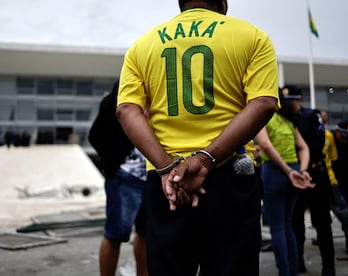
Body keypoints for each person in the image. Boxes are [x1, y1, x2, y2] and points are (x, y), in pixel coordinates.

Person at [116, 0, 283, 274]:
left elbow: (126, 111)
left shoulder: (142, 45)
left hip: (168, 184)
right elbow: (263, 102)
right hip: (230, 174)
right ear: (223, 2)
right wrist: (205, 160)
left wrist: (167, 168)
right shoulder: (252, 36)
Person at [88, 81, 147, 276]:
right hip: (125, 177)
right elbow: (95, 136)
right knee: (115, 234)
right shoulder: (116, 99)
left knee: (146, 235)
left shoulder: (159, 94)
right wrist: (115, 162)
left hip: (153, 177)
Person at [256, 88, 314, 276]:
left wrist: (287, 171)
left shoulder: (264, 117)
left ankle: (284, 273)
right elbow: (304, 148)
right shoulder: (288, 121)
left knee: (278, 228)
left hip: (275, 173)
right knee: (287, 225)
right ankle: (294, 271)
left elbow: (265, 145)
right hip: (295, 172)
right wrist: (301, 170)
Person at [284, 85, 336, 276]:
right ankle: (298, 263)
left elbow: (317, 143)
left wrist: (300, 154)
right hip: (294, 174)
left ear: (299, 100)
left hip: (314, 174)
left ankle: (328, 267)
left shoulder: (311, 116)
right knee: (295, 222)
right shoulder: (283, 120)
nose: (289, 104)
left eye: (291, 100)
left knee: (322, 222)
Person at [321, 111, 348, 255]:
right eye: (343, 137)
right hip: (332, 182)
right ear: (338, 131)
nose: (345, 140)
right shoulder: (329, 137)